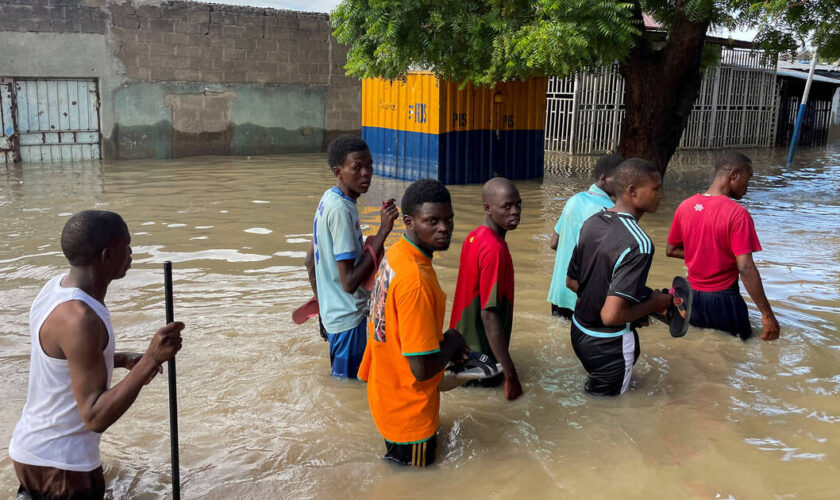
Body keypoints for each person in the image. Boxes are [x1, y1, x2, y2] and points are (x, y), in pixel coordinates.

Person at [8, 210, 184, 499]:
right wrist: (152, 359)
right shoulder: (82, 319)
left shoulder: (55, 288)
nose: (131, 253)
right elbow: (95, 416)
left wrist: (122, 358)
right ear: (107, 256)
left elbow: (61, 361)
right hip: (62, 466)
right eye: (126, 247)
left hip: (33, 452)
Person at [358, 179, 467, 467]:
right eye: (432, 221)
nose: (444, 228)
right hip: (410, 416)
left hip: (385, 394)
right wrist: (453, 340)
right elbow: (421, 369)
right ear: (409, 221)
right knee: (418, 484)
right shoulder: (415, 280)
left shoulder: (396, 255)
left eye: (448, 220)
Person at [566, 159, 674, 396]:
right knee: (609, 414)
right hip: (609, 346)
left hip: (579, 332)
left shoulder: (592, 222)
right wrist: (653, 304)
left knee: (594, 399)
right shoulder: (640, 243)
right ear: (632, 191)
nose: (661, 195)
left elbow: (572, 282)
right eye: (656, 188)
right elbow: (611, 315)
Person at [305, 135, 399, 378]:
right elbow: (349, 283)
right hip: (348, 321)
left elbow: (309, 260)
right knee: (348, 390)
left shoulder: (330, 199)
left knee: (341, 384)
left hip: (335, 316)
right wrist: (383, 231)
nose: (366, 173)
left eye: (369, 165)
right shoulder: (341, 211)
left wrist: (323, 310)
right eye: (357, 167)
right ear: (339, 171)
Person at [666, 151, 780, 341]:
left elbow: (671, 250)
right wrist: (767, 314)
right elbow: (745, 266)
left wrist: (703, 256)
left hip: (692, 298)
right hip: (724, 300)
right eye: (747, 179)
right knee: (741, 353)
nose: (747, 186)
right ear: (734, 175)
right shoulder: (737, 214)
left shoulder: (685, 206)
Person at [449, 177, 523, 400]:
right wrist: (511, 374)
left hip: (462, 352)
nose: (515, 211)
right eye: (506, 206)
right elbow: (489, 314)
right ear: (487, 208)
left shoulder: (474, 237)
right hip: (481, 361)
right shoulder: (494, 250)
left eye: (518, 204)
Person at [547, 154, 623, 319]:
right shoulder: (610, 210)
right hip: (581, 294)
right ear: (603, 179)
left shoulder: (574, 200)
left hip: (559, 292)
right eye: (619, 180)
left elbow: (553, 242)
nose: (622, 185)